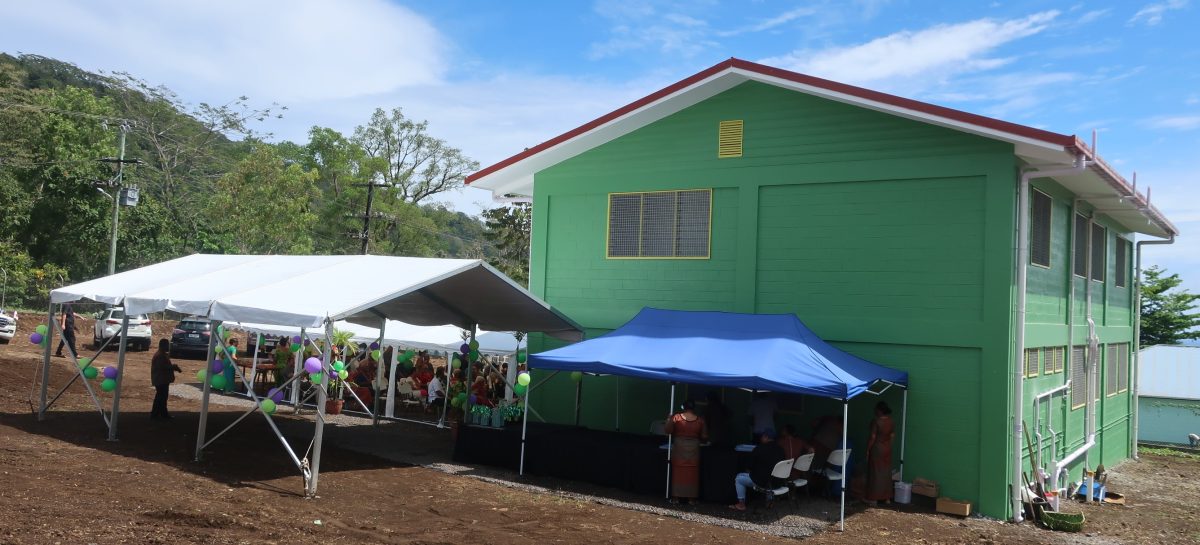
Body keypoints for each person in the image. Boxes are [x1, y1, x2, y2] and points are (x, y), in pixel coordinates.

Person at [730, 428, 787, 511]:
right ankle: (769, 501)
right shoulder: (781, 449)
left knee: (739, 478)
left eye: (762, 436)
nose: (760, 438)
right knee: (769, 475)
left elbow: (749, 467)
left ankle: (741, 504)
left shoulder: (759, 449)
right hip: (778, 482)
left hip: (763, 483)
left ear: (766, 437)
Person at [665, 399, 708, 505]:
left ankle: (675, 498)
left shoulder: (676, 417)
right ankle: (691, 499)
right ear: (694, 408)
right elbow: (704, 436)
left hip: (679, 448)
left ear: (683, 407)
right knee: (692, 473)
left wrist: (668, 419)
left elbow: (668, 431)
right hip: (694, 449)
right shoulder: (700, 420)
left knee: (678, 472)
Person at [865, 401, 896, 504]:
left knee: (876, 473)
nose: (874, 411)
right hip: (887, 448)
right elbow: (892, 436)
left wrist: (868, 449)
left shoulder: (876, 421)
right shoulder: (891, 421)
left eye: (876, 409)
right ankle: (887, 498)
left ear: (880, 410)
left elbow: (873, 437)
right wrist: (888, 446)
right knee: (886, 473)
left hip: (877, 449)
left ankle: (874, 498)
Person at [150, 339, 183, 420]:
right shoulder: (160, 355)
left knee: (161, 397)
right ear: (163, 345)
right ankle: (158, 414)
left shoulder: (162, 354)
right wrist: (173, 367)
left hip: (162, 379)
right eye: (167, 345)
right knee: (161, 397)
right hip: (160, 379)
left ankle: (160, 414)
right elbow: (162, 367)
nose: (168, 347)